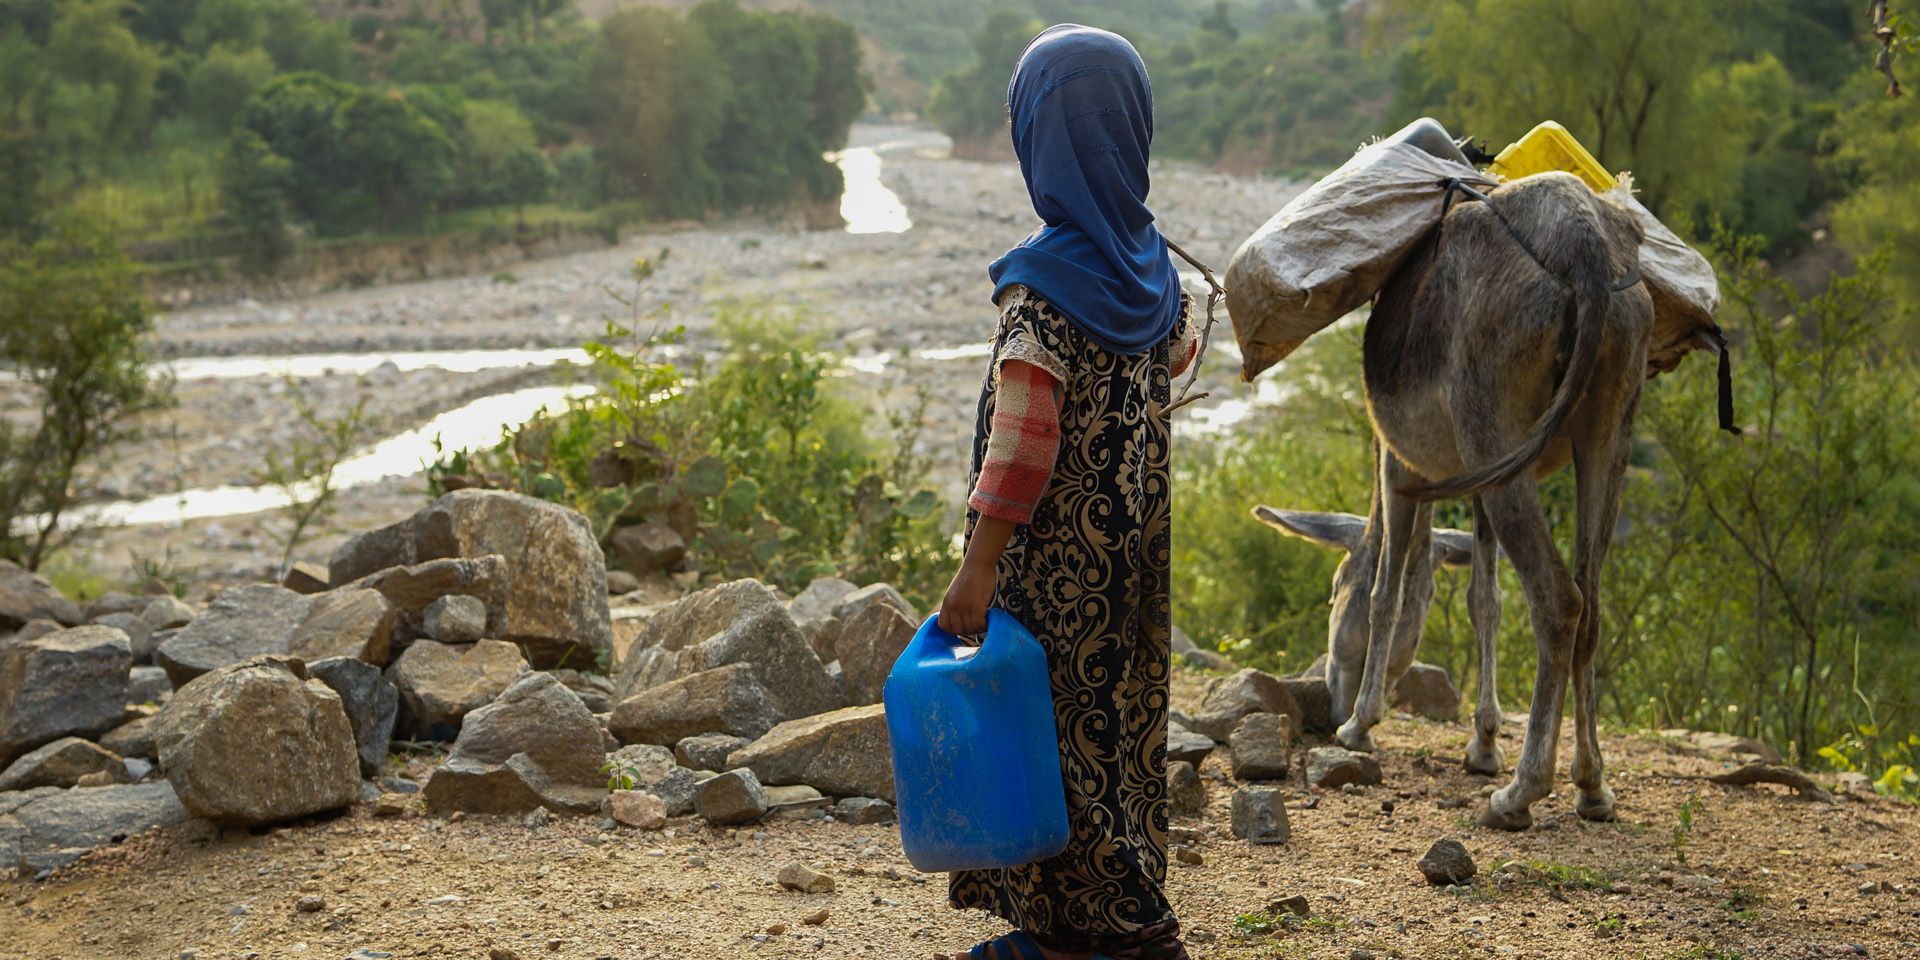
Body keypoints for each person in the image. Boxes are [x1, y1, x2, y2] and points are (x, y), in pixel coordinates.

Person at [936, 23, 1197, 960]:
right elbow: (1175, 356)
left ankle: (1113, 939)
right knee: (1119, 726)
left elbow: (1021, 452)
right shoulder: (1149, 269)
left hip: (1052, 572)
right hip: (1131, 560)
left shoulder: (1043, 291)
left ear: (1039, 138)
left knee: (1050, 736)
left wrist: (977, 569)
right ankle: (1096, 922)